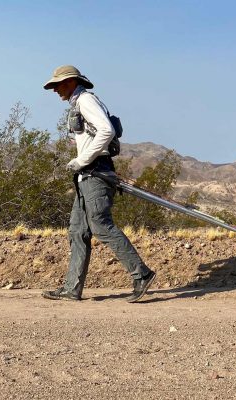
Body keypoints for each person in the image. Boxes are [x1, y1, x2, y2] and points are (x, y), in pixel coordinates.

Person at [41, 65, 156, 302]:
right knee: (77, 231)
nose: (55, 90)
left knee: (101, 225)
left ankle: (142, 274)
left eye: (58, 85)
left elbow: (106, 130)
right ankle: (72, 288)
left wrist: (82, 159)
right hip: (87, 175)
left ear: (71, 82)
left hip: (96, 173)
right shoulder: (78, 103)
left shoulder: (86, 101)